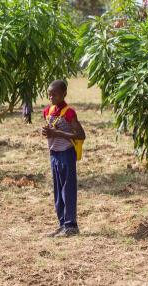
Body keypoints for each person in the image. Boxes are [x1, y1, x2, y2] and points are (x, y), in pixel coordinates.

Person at [42, 80, 86, 237]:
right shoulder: (48, 111)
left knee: (68, 189)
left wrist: (58, 134)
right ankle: (62, 224)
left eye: (55, 94)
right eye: (49, 94)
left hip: (67, 153)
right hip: (54, 153)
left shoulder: (69, 113)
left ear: (64, 94)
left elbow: (81, 135)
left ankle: (71, 225)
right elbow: (52, 130)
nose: (51, 97)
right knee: (58, 190)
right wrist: (47, 131)